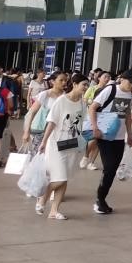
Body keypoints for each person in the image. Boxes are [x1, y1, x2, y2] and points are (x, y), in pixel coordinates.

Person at [37, 73, 90, 220]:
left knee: (64, 179)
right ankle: (43, 197)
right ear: (75, 84)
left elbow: (82, 123)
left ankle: (54, 211)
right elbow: (52, 122)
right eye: (84, 84)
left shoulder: (82, 103)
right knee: (60, 178)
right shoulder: (61, 100)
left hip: (72, 144)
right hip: (56, 144)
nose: (86, 87)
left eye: (87, 85)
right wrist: (44, 141)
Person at [86, 72, 132, 215]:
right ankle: (100, 199)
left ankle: (102, 198)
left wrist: (129, 135)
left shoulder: (131, 94)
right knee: (109, 167)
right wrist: (95, 127)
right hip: (104, 134)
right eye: (130, 82)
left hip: (119, 137)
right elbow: (92, 107)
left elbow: (127, 115)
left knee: (112, 169)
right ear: (122, 80)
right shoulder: (111, 90)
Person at [23, 72, 65, 154]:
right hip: (41, 131)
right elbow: (32, 113)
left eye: (65, 80)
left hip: (58, 132)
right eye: (61, 80)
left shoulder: (65, 96)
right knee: (38, 155)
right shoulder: (45, 94)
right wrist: (26, 132)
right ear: (52, 81)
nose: (64, 82)